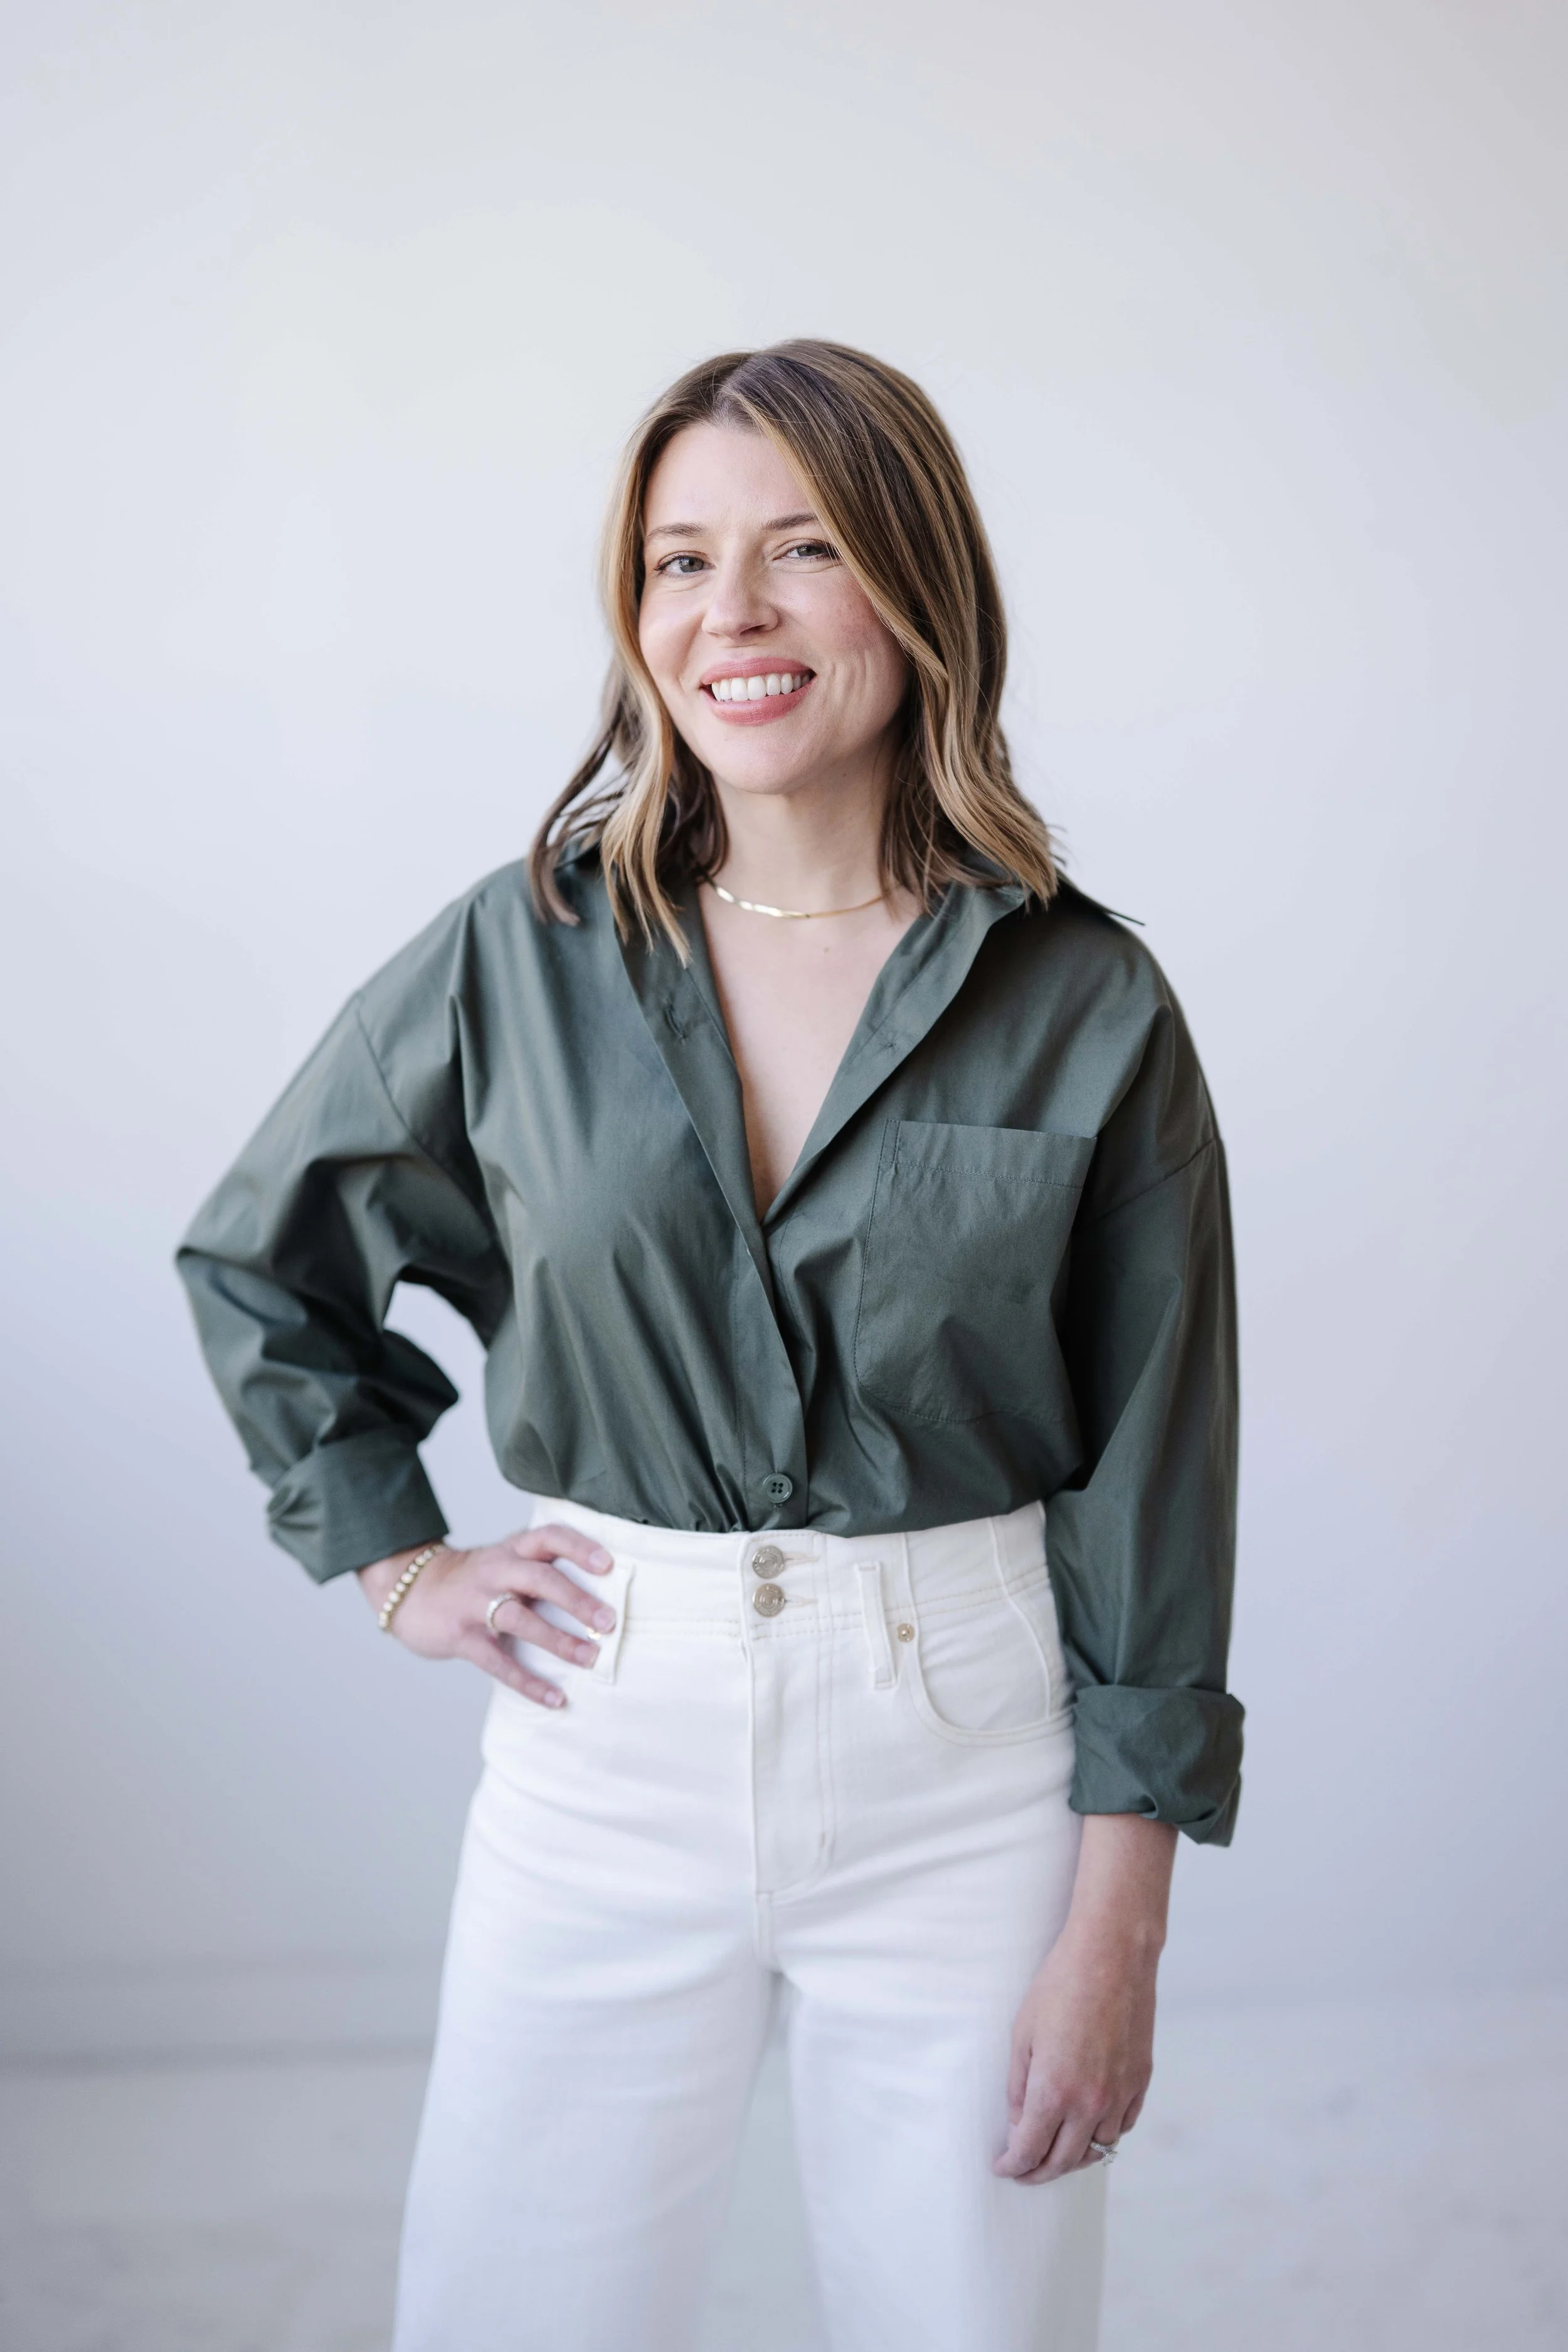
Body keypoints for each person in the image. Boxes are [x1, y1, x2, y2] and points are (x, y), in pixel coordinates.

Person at [177, 339, 1242, 2352]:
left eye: (800, 548)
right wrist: (396, 1553)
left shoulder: (1083, 997)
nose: (726, 615)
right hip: (605, 1739)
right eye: (675, 560)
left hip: (971, 1764)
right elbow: (264, 1257)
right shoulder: (526, 950)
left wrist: (1122, 1916)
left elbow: (1156, 1468)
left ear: (913, 589)